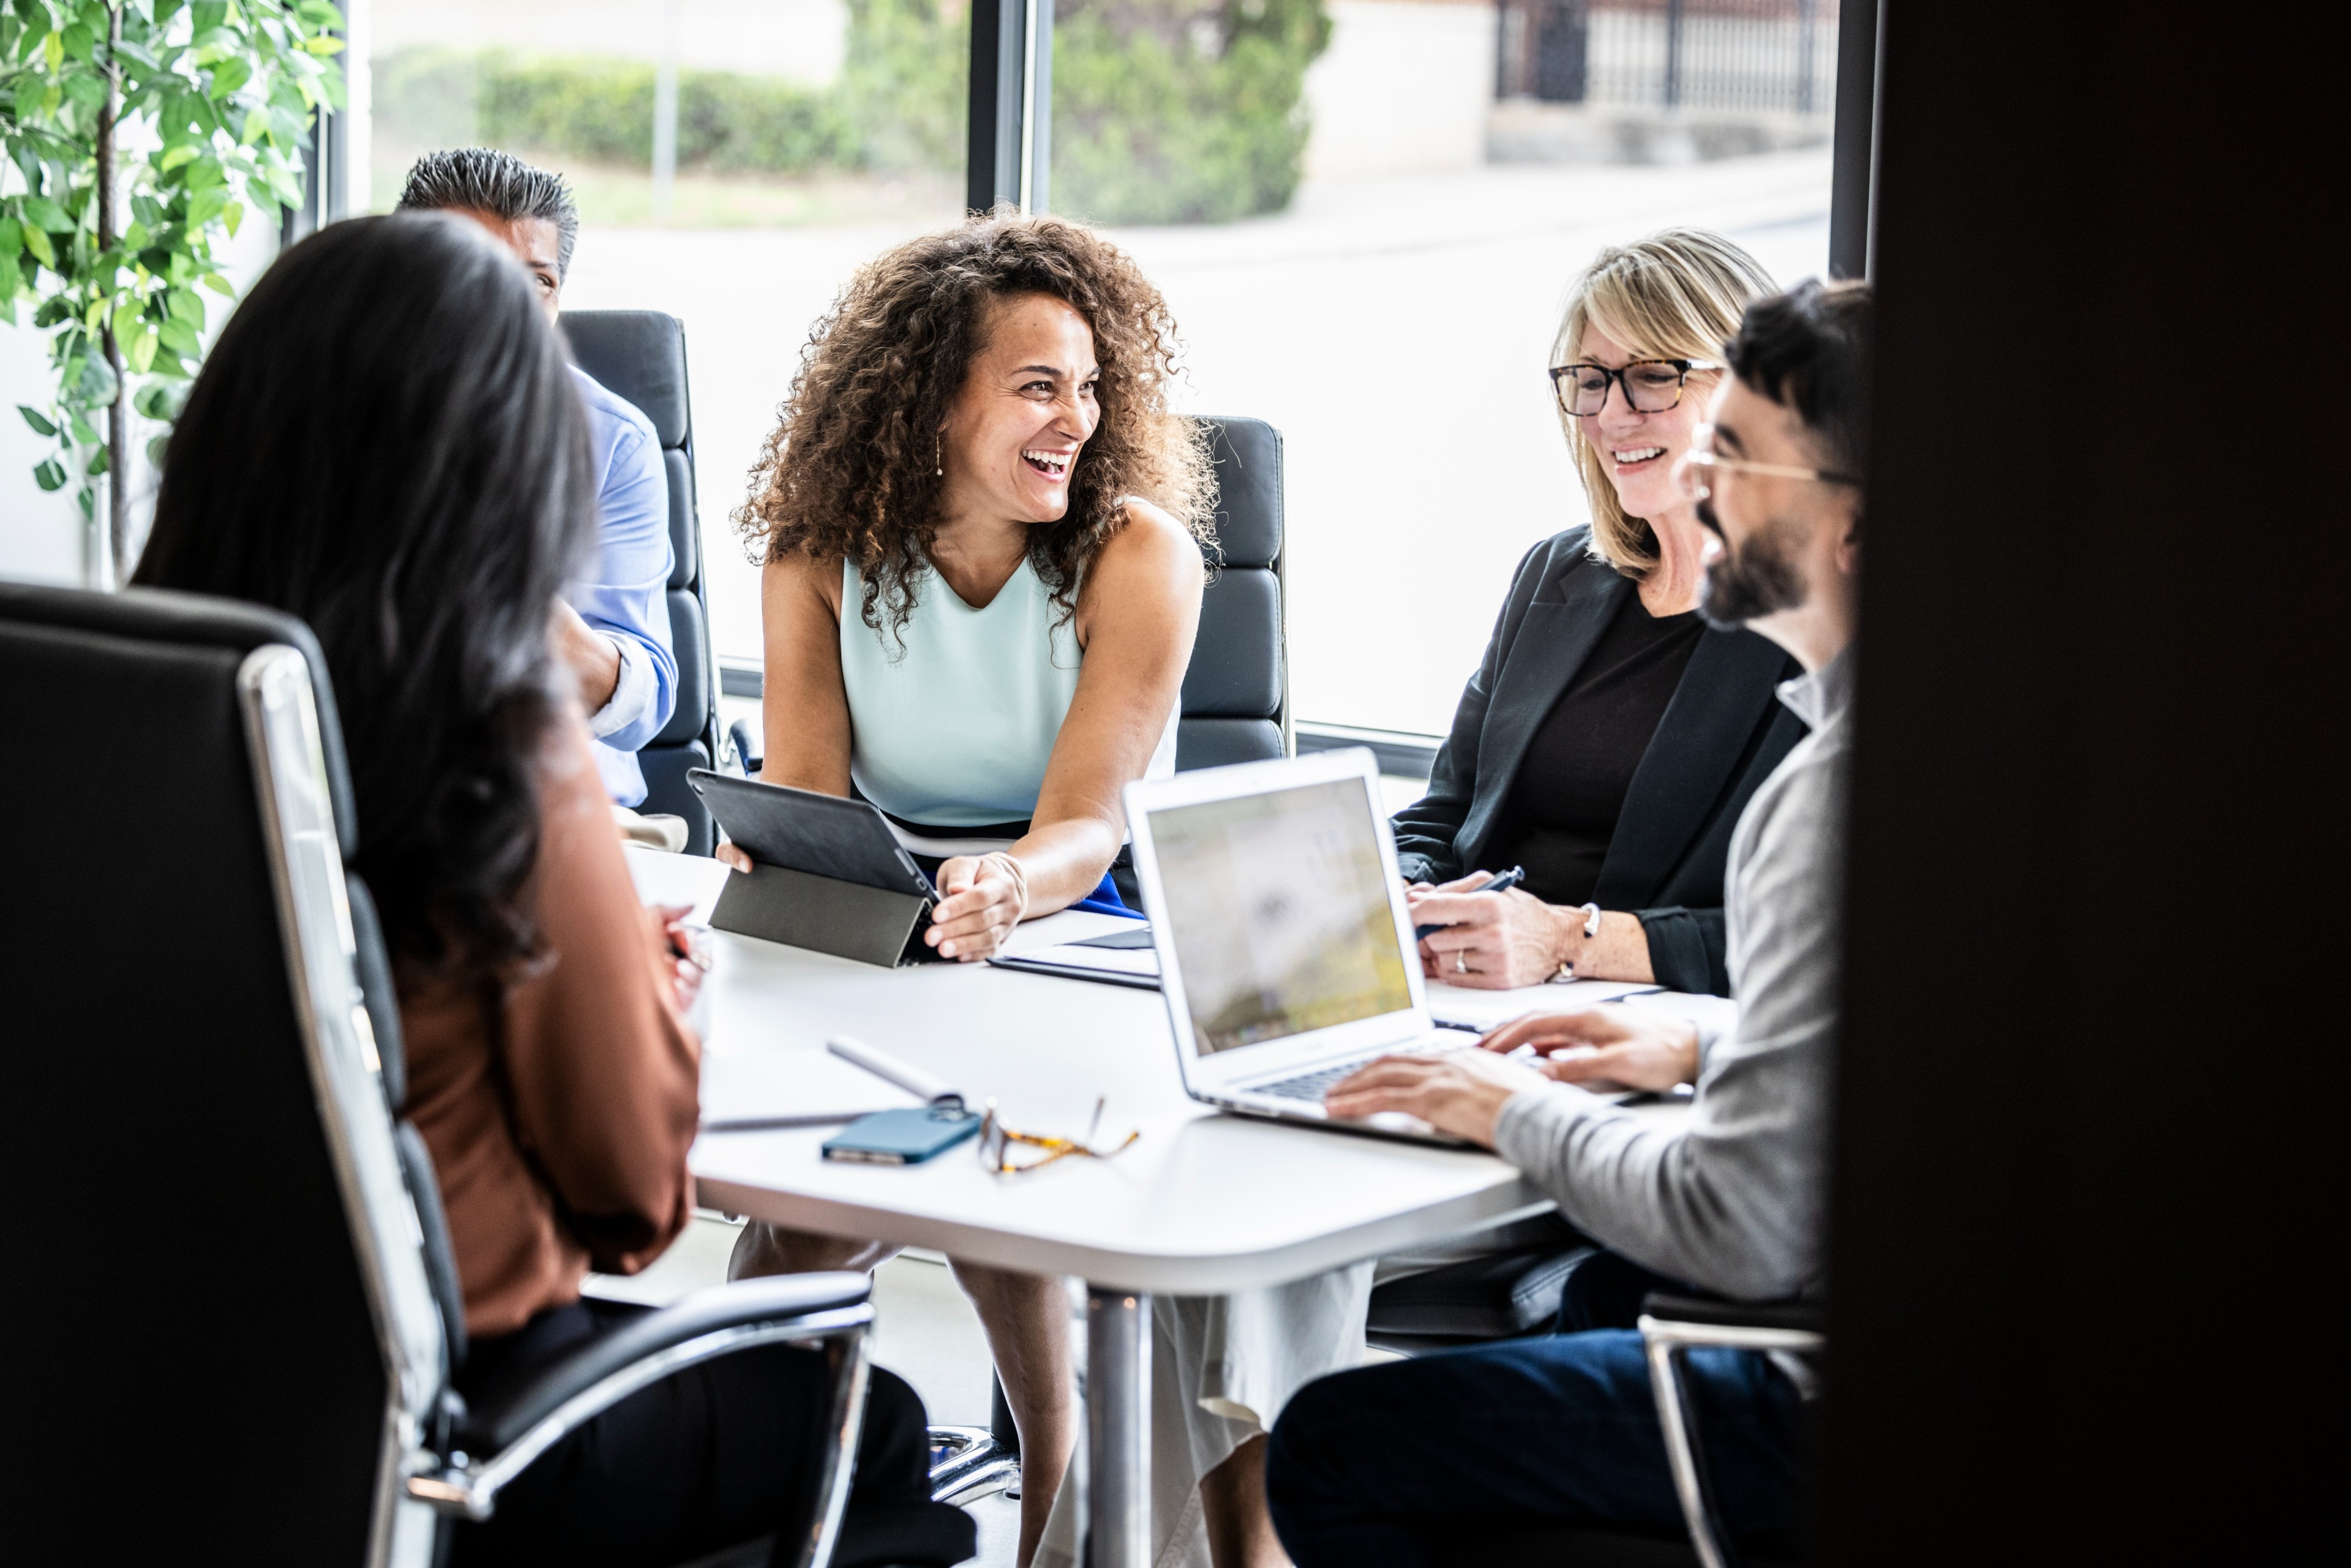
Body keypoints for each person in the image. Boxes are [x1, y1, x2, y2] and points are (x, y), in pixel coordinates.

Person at [132, 212, 973, 1568]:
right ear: (503, 468)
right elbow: (634, 1208)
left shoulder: (118, 702)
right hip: (455, 1429)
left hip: (141, 1380)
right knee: (875, 1428)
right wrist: (652, 996)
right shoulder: (505, 742)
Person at [724, 213, 1346, 1568]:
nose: (1079, 416)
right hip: (884, 919)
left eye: (1091, 386)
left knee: (1003, 1176)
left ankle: (1060, 1506)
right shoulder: (817, 547)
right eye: (1037, 386)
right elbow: (813, 790)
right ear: (933, 400)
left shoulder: (1139, 554)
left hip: (1077, 915)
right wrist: (781, 843)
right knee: (801, 1217)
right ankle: (750, 1488)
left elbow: (1087, 823)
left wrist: (1005, 883)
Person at [1264, 277, 1872, 1566]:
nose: (1703, 488)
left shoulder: (1831, 794)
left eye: (1740, 454)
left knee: (1332, 1438)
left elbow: (1738, 1228)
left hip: (1807, 1394)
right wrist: (1700, 1050)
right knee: (1581, 1288)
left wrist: (1502, 1106)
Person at [1396, 230, 1807, 999]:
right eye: (1591, 379)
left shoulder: (1815, 622)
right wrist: (1412, 896)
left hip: (1646, 1022)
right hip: (1470, 993)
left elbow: (1811, 931)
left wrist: (1565, 940)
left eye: (1655, 376)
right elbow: (1445, 814)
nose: (1613, 415)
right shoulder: (1556, 573)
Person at [397, 148, 680, 814]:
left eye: (537, 283)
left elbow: (641, 704)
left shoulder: (614, 442)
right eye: (471, 271)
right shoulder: (324, 413)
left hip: (558, 807)